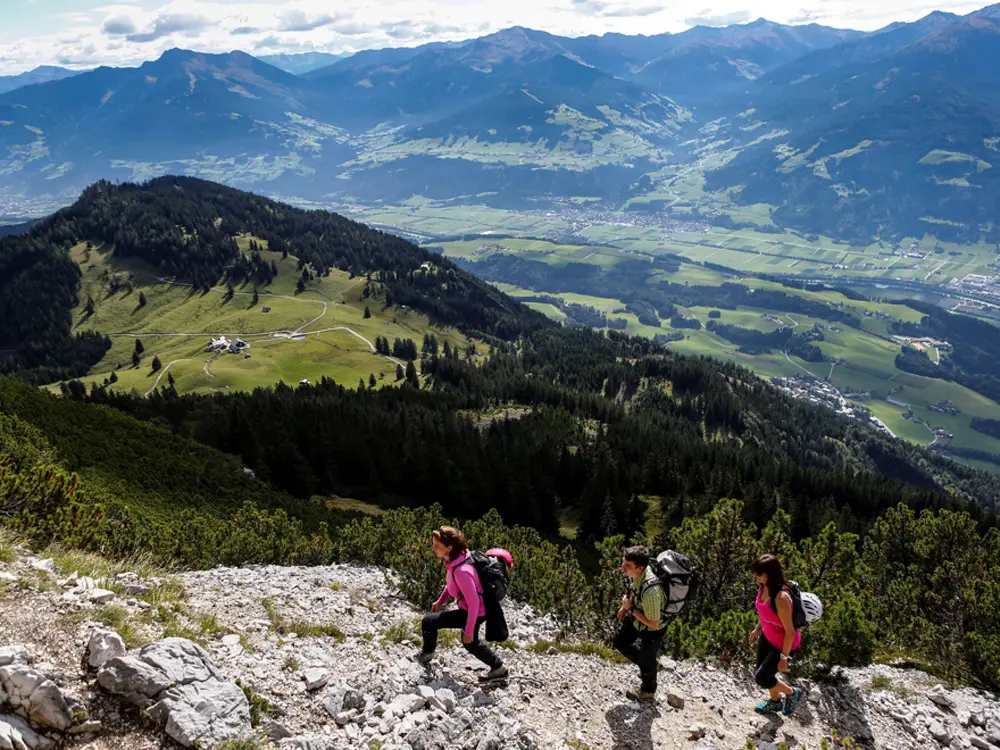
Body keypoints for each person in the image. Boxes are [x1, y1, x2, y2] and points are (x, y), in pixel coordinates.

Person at [415, 526, 509, 681]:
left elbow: (474, 604)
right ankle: (498, 667)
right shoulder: (457, 559)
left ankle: (426, 655)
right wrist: (440, 601)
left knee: (462, 638)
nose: (433, 548)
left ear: (449, 548)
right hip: (473, 610)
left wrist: (469, 630)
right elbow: (452, 584)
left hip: (474, 612)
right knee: (465, 641)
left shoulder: (461, 571)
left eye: (437, 546)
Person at [749, 554, 803, 715]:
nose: (755, 576)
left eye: (759, 573)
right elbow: (764, 612)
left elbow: (790, 631)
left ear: (770, 574)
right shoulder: (764, 587)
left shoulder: (781, 598)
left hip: (783, 644)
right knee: (764, 674)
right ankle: (775, 702)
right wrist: (758, 628)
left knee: (762, 678)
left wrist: (784, 657)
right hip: (767, 636)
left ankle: (792, 693)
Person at [614, 545, 667, 701]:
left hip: (652, 628)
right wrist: (624, 608)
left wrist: (629, 609)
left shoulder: (652, 592)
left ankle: (648, 691)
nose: (623, 567)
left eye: (627, 566)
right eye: (623, 562)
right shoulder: (638, 575)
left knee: (646, 660)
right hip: (637, 614)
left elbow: (654, 624)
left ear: (640, 567)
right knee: (620, 641)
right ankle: (649, 663)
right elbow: (634, 590)